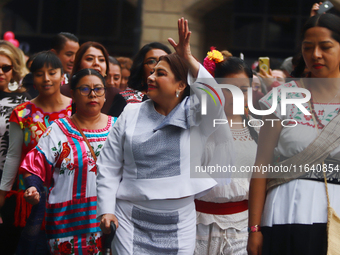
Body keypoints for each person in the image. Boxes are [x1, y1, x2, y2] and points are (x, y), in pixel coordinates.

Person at [96, 18, 233, 254]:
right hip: (129, 217)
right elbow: (108, 165)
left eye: (160, 73)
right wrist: (106, 209)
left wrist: (188, 57)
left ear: (181, 84)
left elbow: (216, 100)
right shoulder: (130, 112)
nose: (150, 77)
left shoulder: (196, 114)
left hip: (180, 220)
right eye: (151, 72)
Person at [247, 13, 340, 255]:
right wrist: (254, 228)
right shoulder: (282, 98)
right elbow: (261, 165)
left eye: (325, 47)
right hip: (285, 212)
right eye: (308, 48)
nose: (315, 55)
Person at [22, 68, 116, 254]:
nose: (92, 95)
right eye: (85, 89)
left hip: (106, 222)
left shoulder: (118, 127)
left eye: (98, 89)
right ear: (73, 94)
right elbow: (34, 164)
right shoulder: (58, 129)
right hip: (64, 224)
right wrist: (32, 186)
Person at [0, 51, 72, 254]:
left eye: (52, 72)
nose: (46, 78)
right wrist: (2, 193)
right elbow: (13, 156)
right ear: (33, 78)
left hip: (68, 195)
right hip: (30, 195)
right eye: (40, 73)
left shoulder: (75, 109)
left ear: (62, 76)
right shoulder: (21, 112)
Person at [195, 49, 259, 255]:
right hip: (197, 224)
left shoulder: (259, 129)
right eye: (229, 89)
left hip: (242, 226)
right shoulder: (198, 125)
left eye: (243, 89)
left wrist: (255, 229)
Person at [0, 40, 31, 255]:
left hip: (9, 180)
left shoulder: (24, 101)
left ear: (15, 70)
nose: (0, 72)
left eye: (5, 67)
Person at [61, 41, 126, 117]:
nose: (96, 63)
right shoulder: (63, 92)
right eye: (90, 59)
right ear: (78, 64)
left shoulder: (116, 96)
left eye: (101, 60)